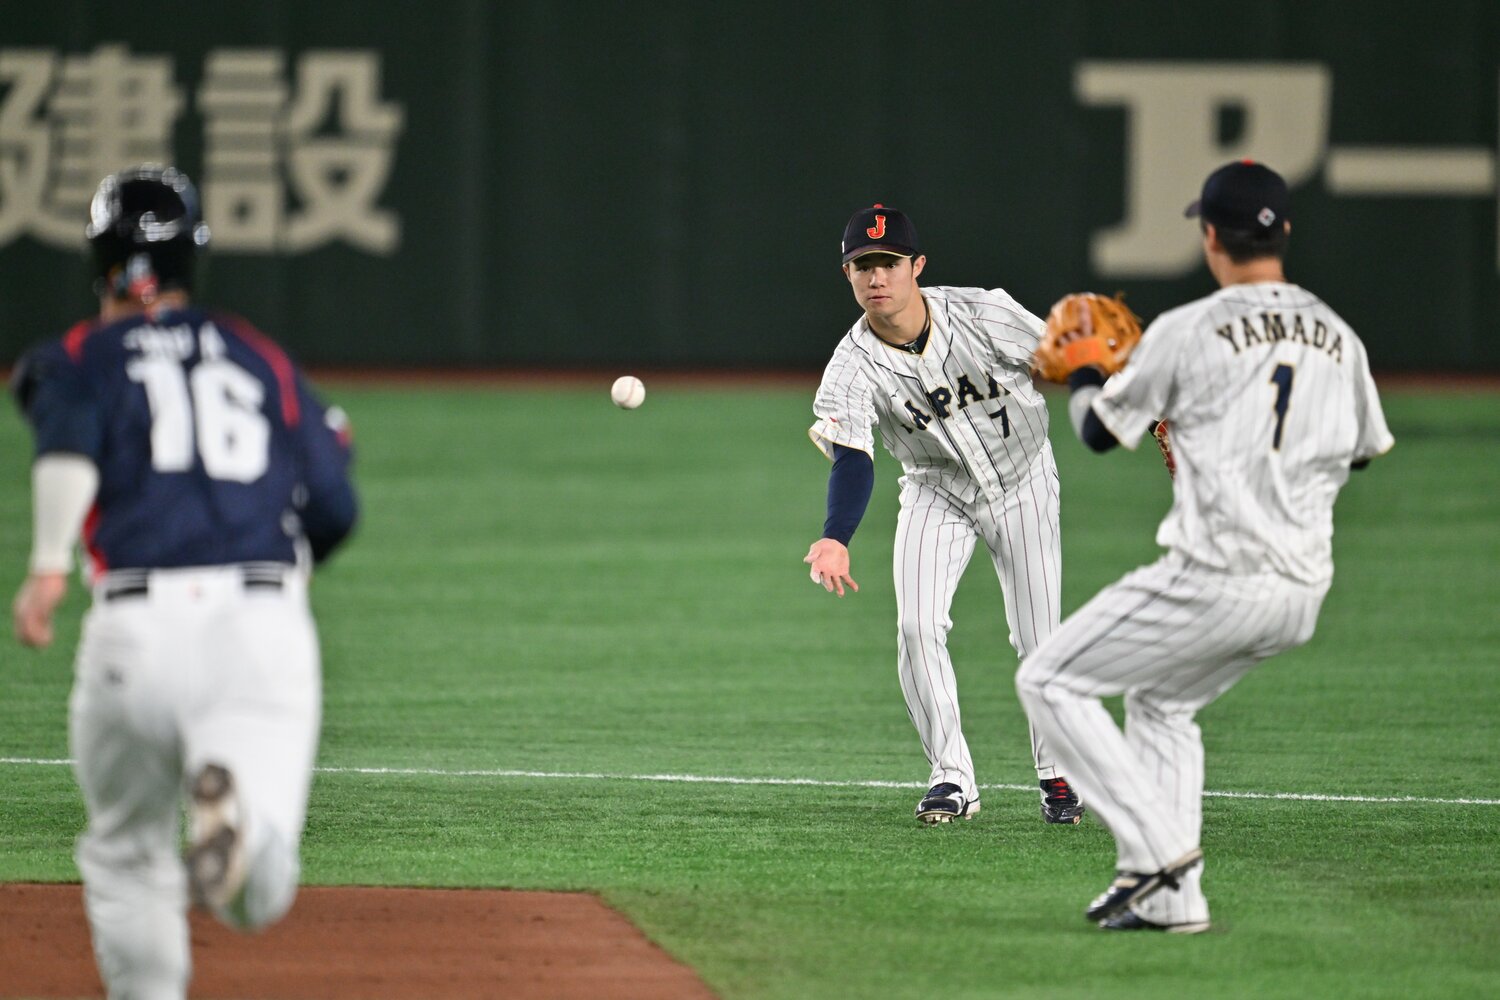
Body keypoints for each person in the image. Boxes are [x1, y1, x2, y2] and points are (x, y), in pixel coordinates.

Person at [1015, 160, 1393, 932]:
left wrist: (1084, 370)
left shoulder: (1188, 331)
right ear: (1284, 233)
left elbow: (1097, 431)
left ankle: (1160, 853)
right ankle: (1172, 903)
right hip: (1302, 590)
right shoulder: (1340, 338)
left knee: (1048, 680)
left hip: (1215, 579)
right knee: (1161, 703)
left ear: (1210, 237)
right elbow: (1359, 453)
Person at [10, 164, 358, 997]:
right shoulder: (256, 354)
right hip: (259, 627)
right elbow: (334, 506)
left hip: (134, 632)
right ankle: (237, 827)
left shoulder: (77, 356)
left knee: (127, 855)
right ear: (191, 256)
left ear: (98, 260)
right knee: (257, 896)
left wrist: (47, 568)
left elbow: (68, 446)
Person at [804, 204, 1085, 825]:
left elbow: (1068, 358)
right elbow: (852, 459)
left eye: (889, 262)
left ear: (918, 266)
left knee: (1038, 637)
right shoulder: (850, 365)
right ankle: (952, 776)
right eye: (863, 265)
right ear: (848, 275)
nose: (877, 277)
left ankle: (1057, 770)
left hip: (1024, 480)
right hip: (936, 489)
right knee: (916, 627)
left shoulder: (983, 314)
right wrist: (836, 536)